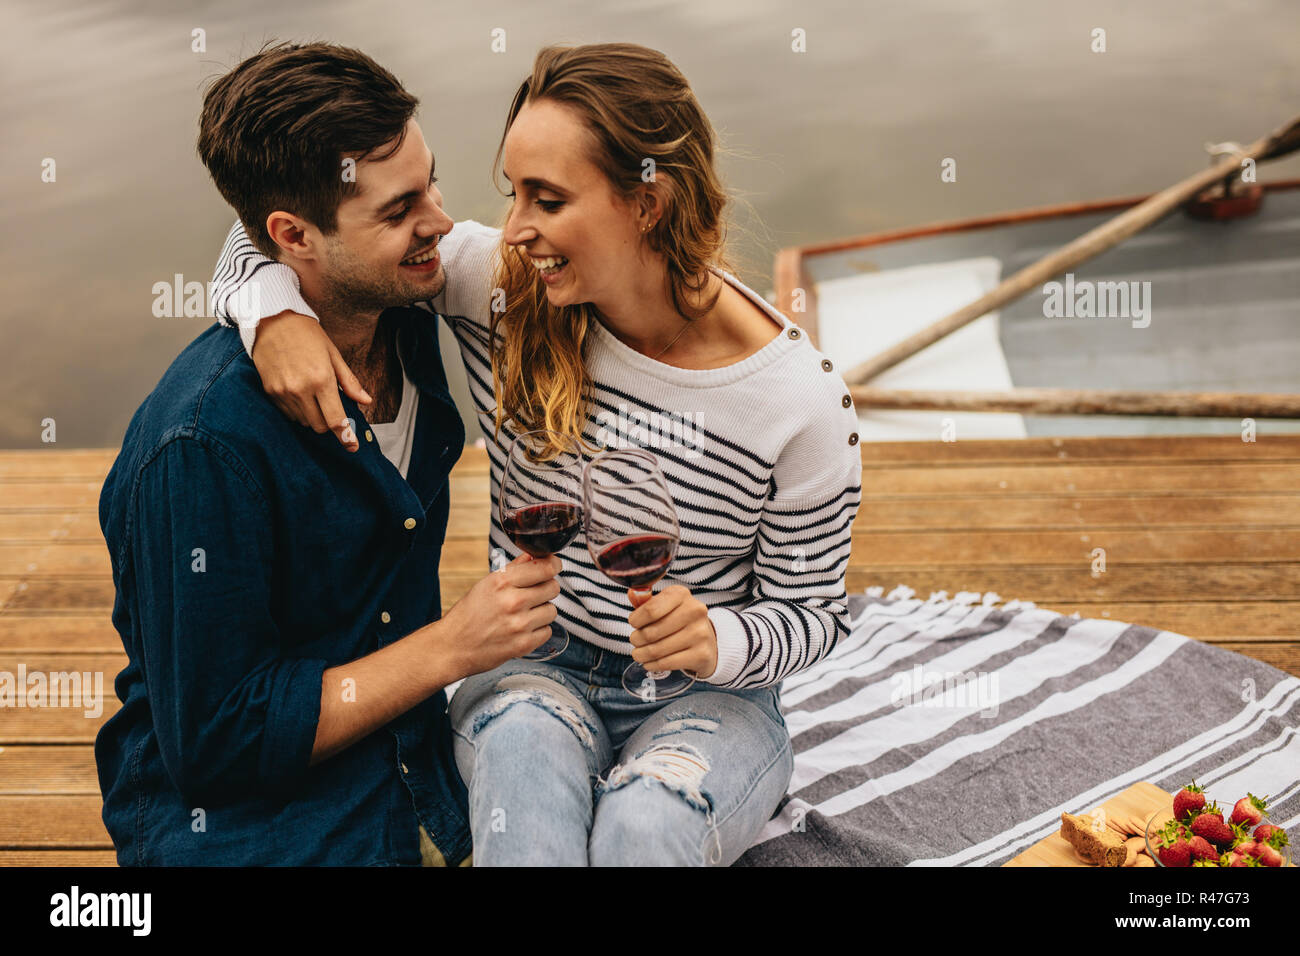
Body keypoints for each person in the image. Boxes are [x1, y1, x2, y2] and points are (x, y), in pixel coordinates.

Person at [210, 42, 862, 865]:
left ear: (648, 203)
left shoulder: (799, 402)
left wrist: (717, 639)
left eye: (546, 200)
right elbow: (273, 237)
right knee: (523, 783)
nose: (512, 229)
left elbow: (813, 616)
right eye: (511, 194)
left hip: (710, 702)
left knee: (645, 824)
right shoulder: (503, 284)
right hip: (533, 670)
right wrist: (276, 315)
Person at [95, 41, 562, 866]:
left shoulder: (403, 309)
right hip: (250, 821)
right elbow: (215, 742)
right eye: (398, 211)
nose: (440, 224)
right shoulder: (200, 451)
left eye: (432, 184)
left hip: (405, 751)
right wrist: (454, 647)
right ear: (293, 236)